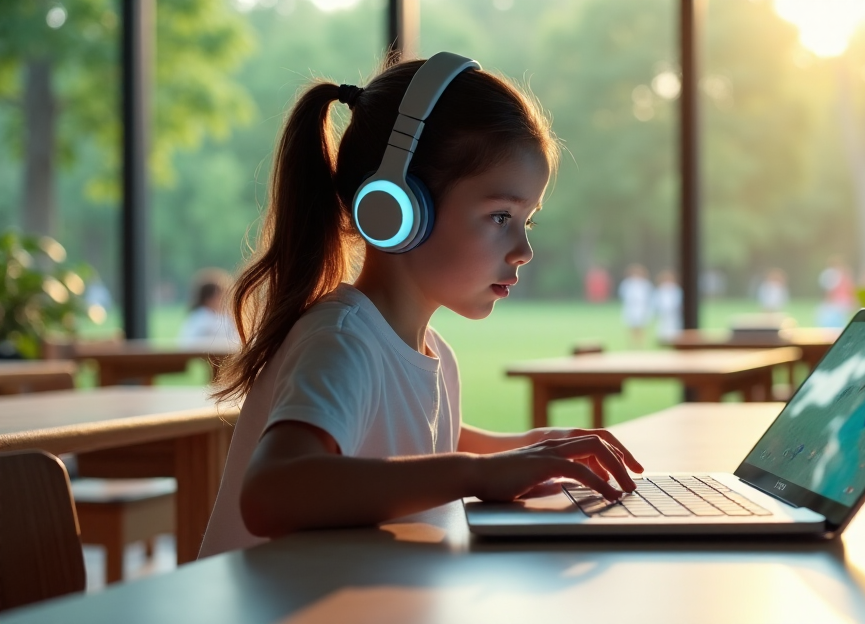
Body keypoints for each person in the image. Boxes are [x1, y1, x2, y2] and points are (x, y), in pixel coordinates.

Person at [199, 54, 643, 558]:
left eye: (528, 221)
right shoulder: (342, 342)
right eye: (500, 216)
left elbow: (424, 439)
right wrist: (477, 473)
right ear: (398, 208)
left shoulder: (428, 351)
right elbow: (273, 492)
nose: (524, 250)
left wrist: (532, 448)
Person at [178, 268, 238, 344]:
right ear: (208, 299)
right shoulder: (202, 318)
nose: (224, 300)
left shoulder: (223, 317)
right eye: (220, 296)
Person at [617, 264, 654, 348]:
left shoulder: (645, 284)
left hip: (642, 308)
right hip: (631, 307)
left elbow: (649, 296)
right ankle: (632, 343)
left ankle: (641, 343)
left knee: (642, 326)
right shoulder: (627, 283)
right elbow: (623, 295)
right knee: (631, 326)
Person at [653, 269, 682, 342]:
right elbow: (656, 301)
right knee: (663, 328)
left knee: (674, 328)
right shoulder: (660, 289)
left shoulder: (676, 289)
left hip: (673, 313)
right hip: (663, 313)